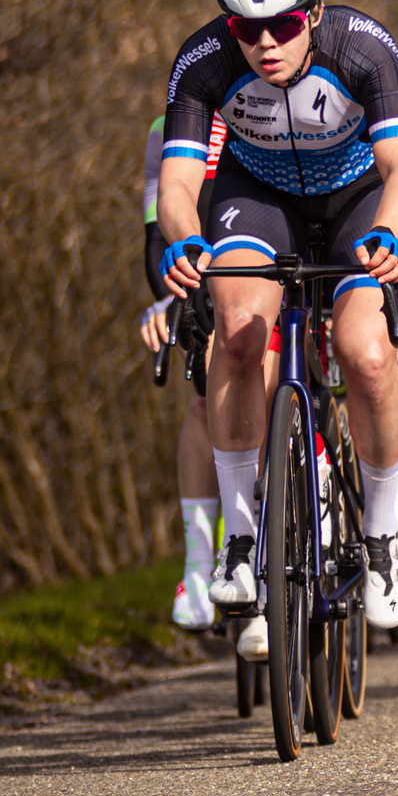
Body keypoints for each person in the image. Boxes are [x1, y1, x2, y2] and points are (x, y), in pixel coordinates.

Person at [156, 0, 398, 647]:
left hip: (359, 200)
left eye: (282, 24)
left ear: (314, 12)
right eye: (246, 26)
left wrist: (392, 235)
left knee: (366, 350)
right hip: (258, 195)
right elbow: (178, 183)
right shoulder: (204, 60)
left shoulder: (363, 47)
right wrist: (184, 240)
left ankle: (380, 537)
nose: (265, 43)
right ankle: (241, 544)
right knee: (239, 327)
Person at [139, 105, 228, 625]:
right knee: (204, 404)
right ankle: (198, 566)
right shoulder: (168, 129)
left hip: (281, 255)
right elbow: (157, 239)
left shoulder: (274, 103)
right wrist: (163, 300)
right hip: (206, 271)